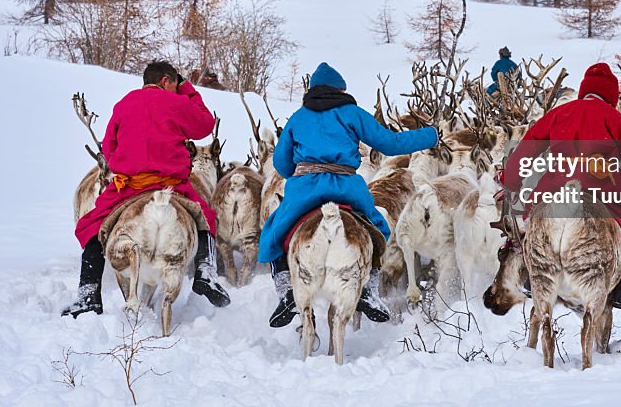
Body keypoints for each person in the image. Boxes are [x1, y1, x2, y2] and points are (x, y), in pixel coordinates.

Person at [259, 62, 438, 328]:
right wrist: (430, 135)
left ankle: (286, 292)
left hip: (305, 189)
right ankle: (368, 289)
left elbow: (282, 165)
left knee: (275, 232)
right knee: (377, 229)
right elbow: (390, 144)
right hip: (346, 187)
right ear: (341, 89)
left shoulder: (298, 117)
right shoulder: (352, 113)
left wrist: (302, 169)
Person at [62, 61, 231, 318]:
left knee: (91, 224)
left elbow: (108, 147)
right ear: (166, 81)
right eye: (175, 84)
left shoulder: (124, 103)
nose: (176, 89)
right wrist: (188, 90)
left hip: (130, 186)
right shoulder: (178, 103)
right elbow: (205, 125)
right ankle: (206, 274)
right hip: (171, 186)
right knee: (205, 216)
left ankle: (88, 295)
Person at [500, 62, 621, 309]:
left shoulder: (559, 113)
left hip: (557, 185)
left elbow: (527, 147)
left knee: (534, 223)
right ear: (612, 96)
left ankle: (535, 277)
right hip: (603, 187)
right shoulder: (614, 118)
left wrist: (510, 179)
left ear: (584, 90)